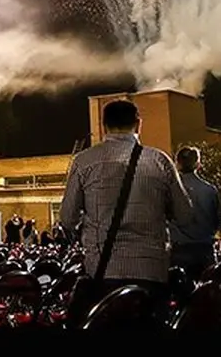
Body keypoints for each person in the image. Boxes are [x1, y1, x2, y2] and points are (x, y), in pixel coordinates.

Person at [60, 100, 191, 322]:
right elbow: (185, 215)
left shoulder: (84, 161)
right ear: (138, 125)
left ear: (103, 127)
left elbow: (66, 219)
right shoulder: (160, 161)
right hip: (151, 271)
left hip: (103, 272)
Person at [169, 145, 221, 279]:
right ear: (198, 164)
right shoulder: (210, 190)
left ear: (177, 163)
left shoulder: (169, 189)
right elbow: (216, 222)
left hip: (179, 251)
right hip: (205, 249)